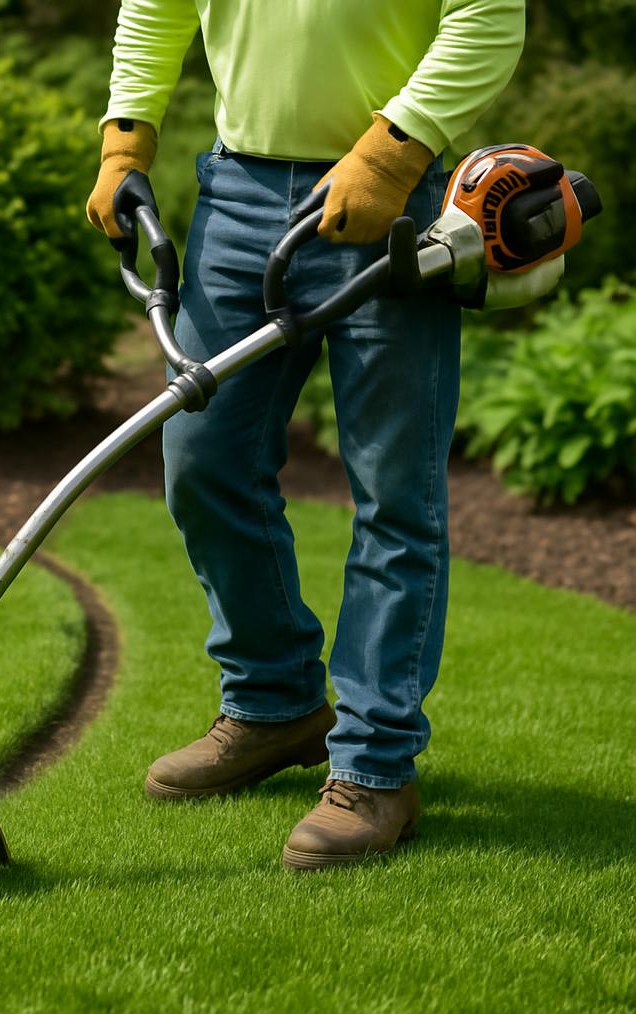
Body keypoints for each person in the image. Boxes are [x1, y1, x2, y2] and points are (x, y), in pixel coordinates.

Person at [86, 0, 526, 870]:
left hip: (395, 196)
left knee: (394, 492)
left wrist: (391, 153)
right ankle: (274, 701)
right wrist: (124, 143)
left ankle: (375, 766)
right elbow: (153, 9)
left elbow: (487, 19)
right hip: (237, 195)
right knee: (204, 465)